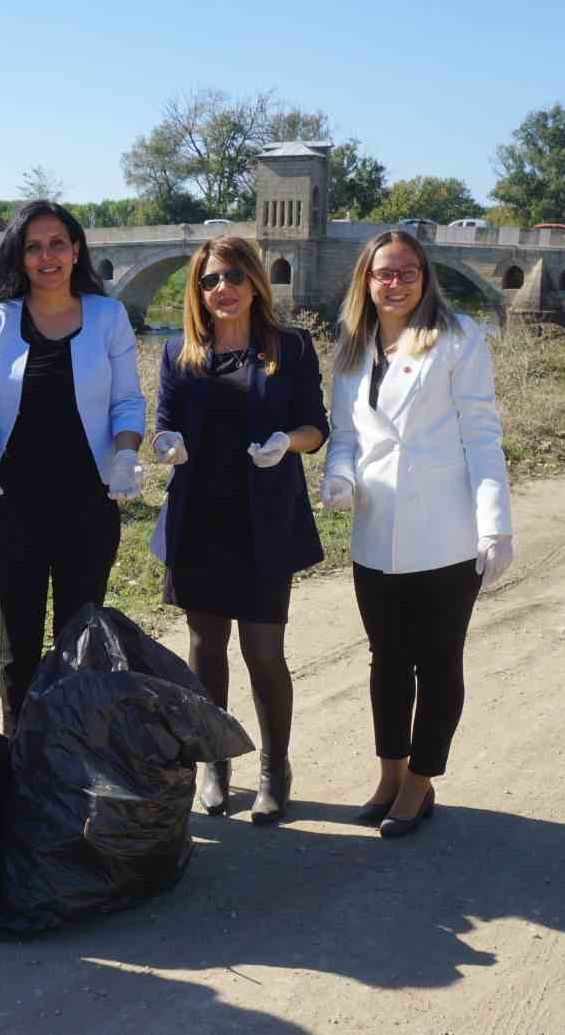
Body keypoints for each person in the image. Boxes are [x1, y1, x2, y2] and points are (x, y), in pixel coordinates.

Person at [319, 229, 514, 838]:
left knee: (437, 661)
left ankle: (421, 782)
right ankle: (389, 771)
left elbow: (481, 435)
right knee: (386, 662)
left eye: (407, 272)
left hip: (445, 531)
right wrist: (338, 477)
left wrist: (495, 524)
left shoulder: (457, 340)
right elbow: (346, 435)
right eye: (384, 273)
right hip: (376, 530)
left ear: (425, 278)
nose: (395, 282)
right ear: (366, 281)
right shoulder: (353, 346)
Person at [151, 237, 328, 821]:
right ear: (197, 292)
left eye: (230, 276)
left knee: (263, 650)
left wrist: (288, 443)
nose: (220, 289)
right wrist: (166, 445)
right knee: (206, 650)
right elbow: (164, 426)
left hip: (263, 523)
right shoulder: (180, 351)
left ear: (254, 280)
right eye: (207, 280)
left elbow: (315, 427)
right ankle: (214, 763)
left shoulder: (292, 348)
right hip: (200, 519)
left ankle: (276, 768)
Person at [0, 200, 146, 736]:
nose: (47, 256)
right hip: (13, 501)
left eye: (57, 244)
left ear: (76, 250)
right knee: (17, 642)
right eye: (34, 247)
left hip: (88, 502)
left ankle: (74, 757)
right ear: (20, 258)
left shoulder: (107, 316)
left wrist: (128, 452)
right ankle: (19, 759)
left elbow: (127, 403)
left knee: (81, 637)